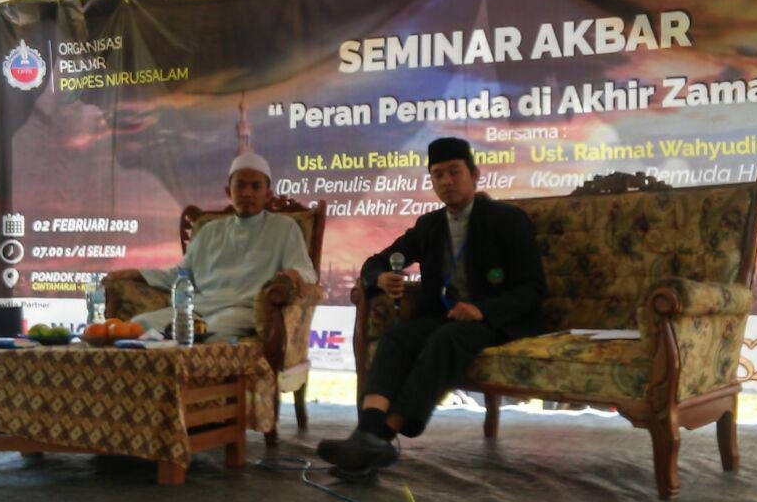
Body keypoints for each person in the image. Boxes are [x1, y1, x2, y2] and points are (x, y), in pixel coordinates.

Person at [317, 137, 547, 474]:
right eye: (438, 175)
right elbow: (374, 263)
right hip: (448, 315)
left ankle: (381, 436)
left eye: (454, 172)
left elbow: (534, 289)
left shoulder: (508, 219)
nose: (447, 181)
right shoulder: (430, 226)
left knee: (447, 338)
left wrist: (482, 310)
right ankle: (366, 433)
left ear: (474, 175)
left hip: (501, 319)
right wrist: (381, 278)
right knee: (396, 339)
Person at [105, 152, 316, 337]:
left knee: (207, 333)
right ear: (228, 192)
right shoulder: (209, 230)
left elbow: (306, 271)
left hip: (243, 311)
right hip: (198, 308)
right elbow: (180, 275)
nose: (247, 193)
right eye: (240, 185)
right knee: (139, 325)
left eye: (255, 186)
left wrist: (293, 275)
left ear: (268, 194)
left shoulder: (284, 228)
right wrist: (137, 273)